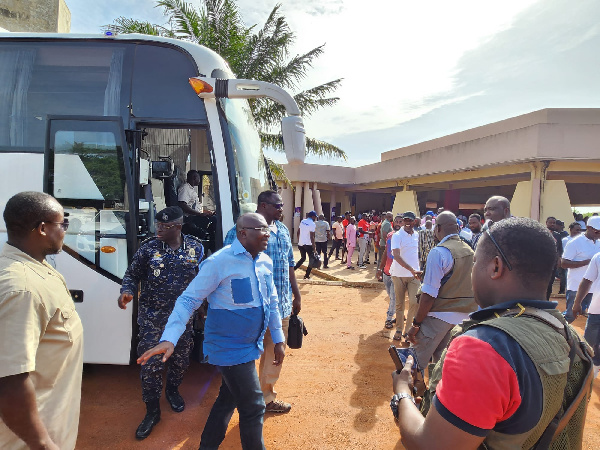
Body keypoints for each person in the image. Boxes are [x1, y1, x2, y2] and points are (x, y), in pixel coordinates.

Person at [391, 217, 592, 449]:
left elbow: (430, 445)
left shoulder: (483, 347)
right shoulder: (569, 335)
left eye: (476, 262)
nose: (472, 271)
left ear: (496, 267)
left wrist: (402, 391)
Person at [138, 213, 284, 449]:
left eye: (268, 229)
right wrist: (169, 338)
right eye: (261, 229)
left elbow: (272, 301)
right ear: (243, 232)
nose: (267, 234)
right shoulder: (219, 262)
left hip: (251, 344)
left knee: (228, 399)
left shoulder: (265, 262)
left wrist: (278, 338)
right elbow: (188, 300)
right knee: (254, 406)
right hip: (228, 347)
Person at [0, 191, 83, 450]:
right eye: (63, 224)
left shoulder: (36, 266)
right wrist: (43, 444)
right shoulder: (22, 289)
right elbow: (9, 380)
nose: (65, 231)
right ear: (43, 229)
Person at [118, 206, 204, 439]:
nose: (159, 229)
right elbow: (132, 274)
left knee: (180, 361)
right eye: (158, 225)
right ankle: (152, 411)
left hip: (183, 319)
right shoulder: (148, 249)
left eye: (165, 226)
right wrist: (127, 291)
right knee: (151, 365)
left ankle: (173, 391)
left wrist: (204, 306)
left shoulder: (196, 247)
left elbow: (203, 280)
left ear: (178, 226)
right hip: (152, 318)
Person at [223, 190, 300, 413]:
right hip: (250, 308)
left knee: (274, 354)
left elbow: (289, 265)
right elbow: (227, 266)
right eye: (278, 206)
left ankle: (265, 398)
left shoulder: (283, 231)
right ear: (264, 206)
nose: (281, 210)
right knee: (242, 354)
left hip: (281, 306)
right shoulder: (240, 231)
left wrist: (297, 294)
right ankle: (238, 397)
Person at [405, 211, 478, 367]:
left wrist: (416, 324)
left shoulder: (439, 252)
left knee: (413, 363)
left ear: (437, 228)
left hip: (438, 317)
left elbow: (429, 295)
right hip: (463, 319)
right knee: (443, 367)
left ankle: (406, 390)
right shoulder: (470, 251)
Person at [561, 215, 600, 322]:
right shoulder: (574, 242)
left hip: (594, 287)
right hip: (576, 287)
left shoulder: (598, 243)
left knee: (594, 316)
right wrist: (588, 262)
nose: (599, 234)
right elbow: (564, 263)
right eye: (597, 232)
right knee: (570, 316)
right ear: (588, 228)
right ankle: (558, 336)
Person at [390, 211, 421, 342]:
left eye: (410, 220)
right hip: (398, 274)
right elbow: (396, 256)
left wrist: (418, 270)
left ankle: (408, 331)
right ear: (402, 221)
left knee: (414, 303)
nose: (407, 222)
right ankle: (398, 329)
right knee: (400, 304)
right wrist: (411, 269)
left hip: (415, 275)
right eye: (405, 220)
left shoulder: (417, 235)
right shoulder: (397, 236)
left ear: (414, 221)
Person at [572, 252, 600, 378]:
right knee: (588, 344)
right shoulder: (598, 257)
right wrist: (577, 303)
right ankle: (588, 370)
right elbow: (587, 280)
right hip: (597, 309)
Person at [178, 170, 215, 251]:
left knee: (214, 219)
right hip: (189, 219)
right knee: (214, 221)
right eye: (199, 178)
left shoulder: (191, 189)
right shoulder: (185, 188)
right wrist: (199, 214)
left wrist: (204, 213)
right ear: (194, 177)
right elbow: (182, 204)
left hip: (195, 216)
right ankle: (212, 247)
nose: (200, 180)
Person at [378, 215, 403, 329]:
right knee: (391, 296)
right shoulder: (390, 236)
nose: (398, 223)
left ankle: (389, 319)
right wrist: (380, 268)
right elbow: (385, 254)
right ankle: (399, 313)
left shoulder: (406, 238)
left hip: (397, 274)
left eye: (400, 222)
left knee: (393, 297)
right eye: (396, 221)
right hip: (386, 272)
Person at [545, 216, 564, 300]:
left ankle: (547, 301)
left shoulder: (558, 236)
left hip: (553, 263)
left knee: (550, 283)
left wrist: (559, 260)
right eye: (551, 222)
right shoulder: (542, 233)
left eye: (554, 223)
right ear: (546, 223)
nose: (552, 224)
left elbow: (559, 249)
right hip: (542, 263)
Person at [295, 211, 317, 279]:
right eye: (315, 217)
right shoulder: (312, 224)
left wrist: (299, 240)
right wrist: (314, 247)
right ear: (313, 216)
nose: (315, 218)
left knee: (303, 258)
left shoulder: (303, 221)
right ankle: (307, 275)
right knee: (311, 260)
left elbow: (298, 232)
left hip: (301, 244)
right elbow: (312, 236)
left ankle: (292, 270)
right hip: (308, 244)